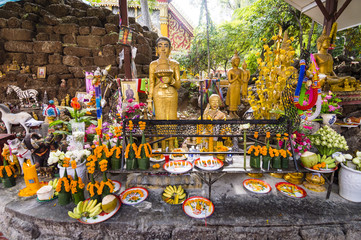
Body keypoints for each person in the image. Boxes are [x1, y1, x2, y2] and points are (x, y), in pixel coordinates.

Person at [147, 37, 181, 151]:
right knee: (160, 120)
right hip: (158, 93)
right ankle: (161, 146)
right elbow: (151, 83)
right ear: (156, 49)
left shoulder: (175, 64)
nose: (163, 49)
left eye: (166, 46)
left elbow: (178, 85)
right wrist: (149, 101)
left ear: (170, 49)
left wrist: (171, 81)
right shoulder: (153, 65)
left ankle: (171, 145)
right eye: (160, 46)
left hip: (172, 93)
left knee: (172, 120)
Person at [226, 50, 242, 119]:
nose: (237, 63)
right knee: (232, 100)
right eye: (236, 61)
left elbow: (242, 81)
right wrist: (236, 78)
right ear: (233, 62)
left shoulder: (240, 71)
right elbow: (230, 81)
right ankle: (230, 113)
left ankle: (235, 112)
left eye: (238, 61)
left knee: (236, 100)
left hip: (238, 86)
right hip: (232, 87)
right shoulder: (230, 71)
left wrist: (238, 79)